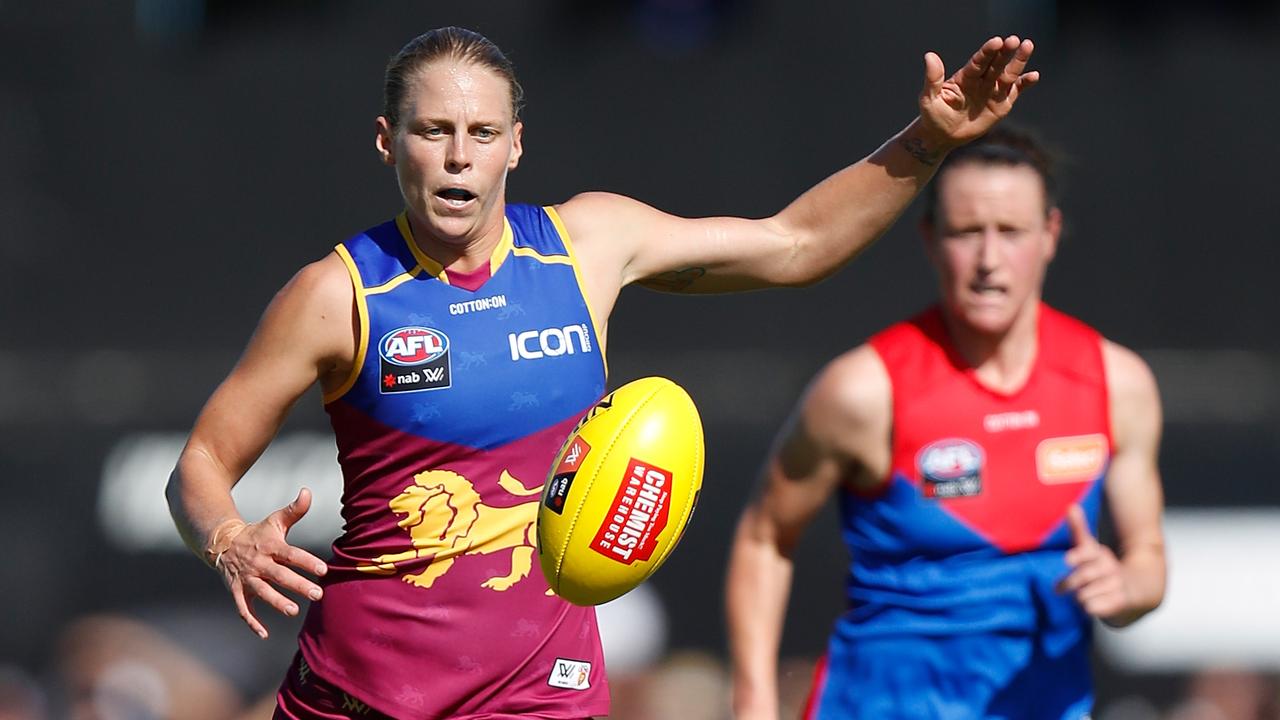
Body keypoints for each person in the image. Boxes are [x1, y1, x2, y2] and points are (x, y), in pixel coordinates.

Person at [165, 25, 1039, 719]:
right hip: (361, 692)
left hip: (540, 694)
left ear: (516, 145)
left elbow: (795, 244)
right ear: (390, 142)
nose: (458, 155)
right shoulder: (337, 294)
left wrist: (929, 140)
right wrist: (227, 537)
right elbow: (201, 461)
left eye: (482, 132)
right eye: (434, 131)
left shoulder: (587, 247)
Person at [725, 126, 1167, 719]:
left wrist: (1127, 589)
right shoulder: (863, 390)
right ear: (931, 240)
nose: (988, 260)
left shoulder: (1118, 383)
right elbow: (763, 538)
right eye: (967, 232)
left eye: (1010, 232)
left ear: (1050, 235)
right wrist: (753, 702)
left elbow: (1148, 561)